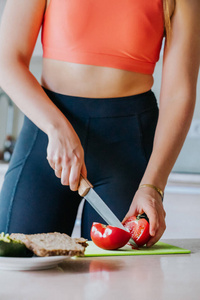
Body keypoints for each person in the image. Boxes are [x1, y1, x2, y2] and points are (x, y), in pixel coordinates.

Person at [0, 0, 199, 247]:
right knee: (16, 263)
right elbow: (6, 60)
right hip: (48, 135)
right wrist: (57, 129)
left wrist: (153, 187)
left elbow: (179, 95)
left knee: (115, 280)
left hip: (129, 149)